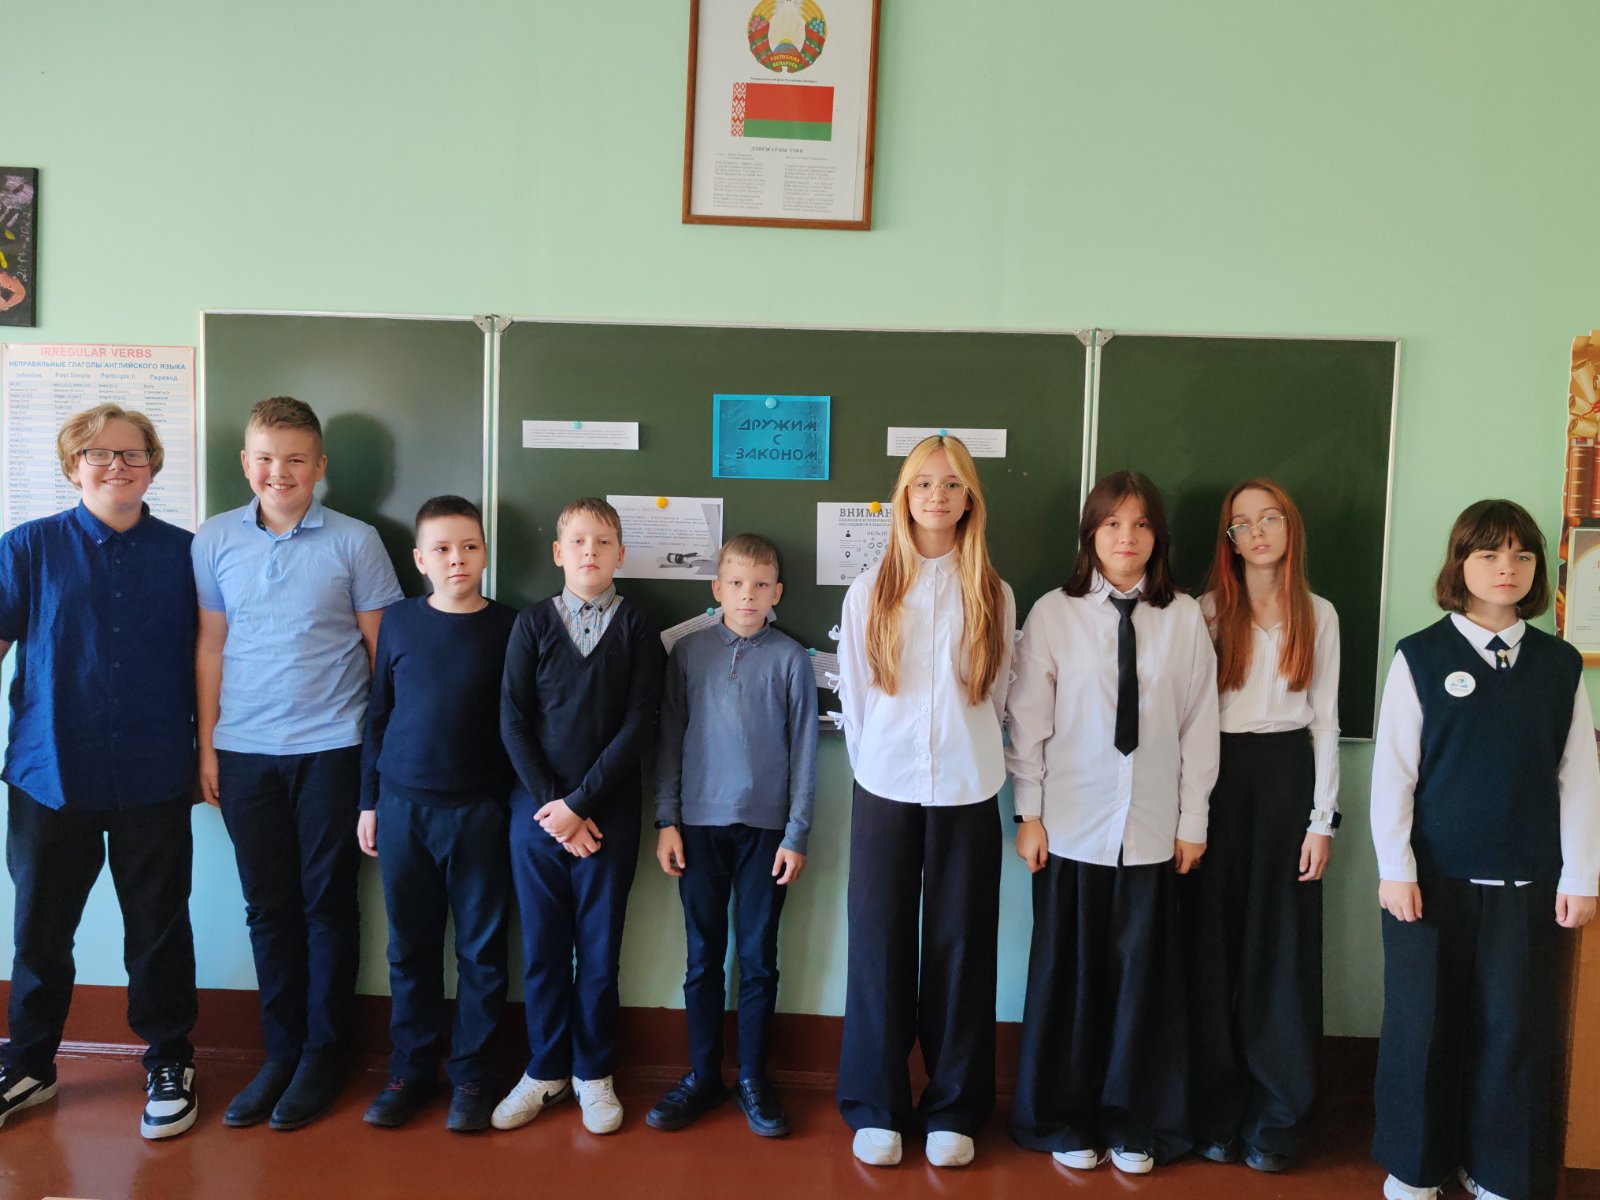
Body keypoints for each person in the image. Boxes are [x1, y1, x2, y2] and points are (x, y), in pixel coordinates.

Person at [1370, 499, 1600, 1200]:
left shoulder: (1559, 664)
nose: (1507, 567)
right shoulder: (1420, 655)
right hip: (1431, 884)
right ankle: (1416, 1167)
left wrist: (1581, 875)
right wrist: (1395, 869)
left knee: (1515, 1031)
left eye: (1522, 555)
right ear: (1460, 564)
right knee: (1423, 1026)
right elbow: (1393, 773)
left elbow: (1579, 778)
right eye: (1490, 553)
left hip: (1529, 886)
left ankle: (1500, 1170)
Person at [192, 396, 403, 1131]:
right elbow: (211, 645)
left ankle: (324, 1054)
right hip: (245, 751)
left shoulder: (356, 541)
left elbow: (383, 656)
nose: (278, 472)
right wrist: (208, 745)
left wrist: (378, 760)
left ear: (319, 466)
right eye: (264, 458)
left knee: (327, 905)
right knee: (267, 908)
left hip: (333, 749)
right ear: (244, 463)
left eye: (294, 459)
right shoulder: (214, 538)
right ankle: (279, 1052)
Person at [1007, 469, 1219, 1176]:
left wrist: (1193, 819)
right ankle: (1065, 1118)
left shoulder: (1183, 617)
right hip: (1070, 826)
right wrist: (1029, 813)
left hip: (1154, 829)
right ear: (1091, 534)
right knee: (1069, 982)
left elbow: (1199, 724)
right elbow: (1028, 724)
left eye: (1141, 524)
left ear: (1158, 537)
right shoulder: (1053, 613)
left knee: (1142, 985)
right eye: (1111, 524)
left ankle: (1136, 1123)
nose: (1126, 537)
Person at [0, 405, 200, 1139]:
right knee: (40, 929)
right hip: (50, 773)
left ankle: (170, 1061)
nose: (118, 465)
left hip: (154, 772)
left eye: (133, 453)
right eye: (99, 454)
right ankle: (30, 1063)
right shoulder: (27, 547)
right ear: (72, 465)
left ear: (152, 464)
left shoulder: (187, 554)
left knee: (159, 927)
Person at [835, 435, 1015, 1170]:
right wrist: (881, 766)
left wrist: (962, 754)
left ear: (970, 499)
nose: (936, 496)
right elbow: (854, 696)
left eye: (951, 484)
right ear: (903, 497)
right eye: (922, 484)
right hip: (884, 789)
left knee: (962, 947)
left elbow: (998, 695)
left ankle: (953, 1108)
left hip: (969, 789)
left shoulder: (993, 593)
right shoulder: (869, 589)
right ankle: (877, 1106)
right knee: (877, 944)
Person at [493, 497, 664, 1136]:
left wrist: (582, 805)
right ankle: (545, 1070)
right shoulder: (533, 623)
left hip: (608, 814)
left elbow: (638, 724)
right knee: (542, 949)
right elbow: (512, 720)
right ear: (558, 553)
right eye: (578, 541)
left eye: (603, 541)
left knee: (597, 951)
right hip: (536, 815)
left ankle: (594, 1072)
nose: (590, 551)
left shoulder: (638, 625)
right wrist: (556, 808)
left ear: (621, 554)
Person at [1187, 479, 1340, 1172]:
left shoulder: (1319, 613)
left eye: (1269, 518)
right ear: (1229, 541)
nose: (1256, 533)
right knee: (1212, 950)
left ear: (1289, 527)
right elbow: (1188, 721)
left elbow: (1327, 722)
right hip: (1218, 778)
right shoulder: (1206, 612)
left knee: (1280, 951)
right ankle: (1216, 1112)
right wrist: (1189, 811)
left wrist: (1322, 820)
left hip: (1287, 779)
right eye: (1242, 524)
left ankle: (1278, 1117)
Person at [356, 496, 518, 1133]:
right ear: (420, 560)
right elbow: (378, 714)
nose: (458, 559)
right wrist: (368, 801)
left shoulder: (510, 627)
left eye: (469, 547)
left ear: (486, 553)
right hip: (402, 809)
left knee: (481, 952)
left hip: (479, 812)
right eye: (443, 549)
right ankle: (410, 1070)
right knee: (410, 949)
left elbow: (521, 726)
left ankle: (473, 1075)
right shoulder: (399, 621)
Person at [647, 533, 817, 1139]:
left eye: (761, 585)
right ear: (717, 589)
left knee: (758, 960)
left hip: (768, 834)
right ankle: (702, 1076)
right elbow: (668, 739)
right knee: (702, 959)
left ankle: (752, 1078)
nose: (749, 595)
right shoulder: (688, 654)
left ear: (777, 593)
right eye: (737, 584)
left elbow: (805, 750)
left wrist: (796, 833)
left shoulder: (791, 658)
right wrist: (666, 820)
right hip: (697, 828)